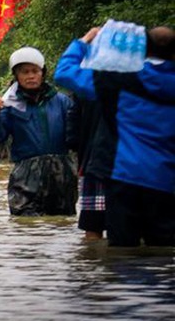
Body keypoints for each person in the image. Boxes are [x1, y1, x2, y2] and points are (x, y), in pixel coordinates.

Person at [54, 25, 175, 247]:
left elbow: (64, 72)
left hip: (124, 178)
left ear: (143, 50)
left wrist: (84, 40)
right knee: (164, 253)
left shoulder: (119, 82)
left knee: (122, 252)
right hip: (166, 181)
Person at [0, 46, 77, 216]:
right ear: (17, 76)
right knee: (25, 225)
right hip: (25, 175)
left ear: (43, 73)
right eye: (25, 72)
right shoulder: (8, 104)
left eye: (35, 71)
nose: (31, 76)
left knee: (62, 224)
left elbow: (77, 136)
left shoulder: (62, 102)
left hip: (62, 175)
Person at [70, 95, 106, 240]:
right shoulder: (86, 85)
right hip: (94, 160)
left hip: (96, 159)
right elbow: (73, 121)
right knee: (92, 223)